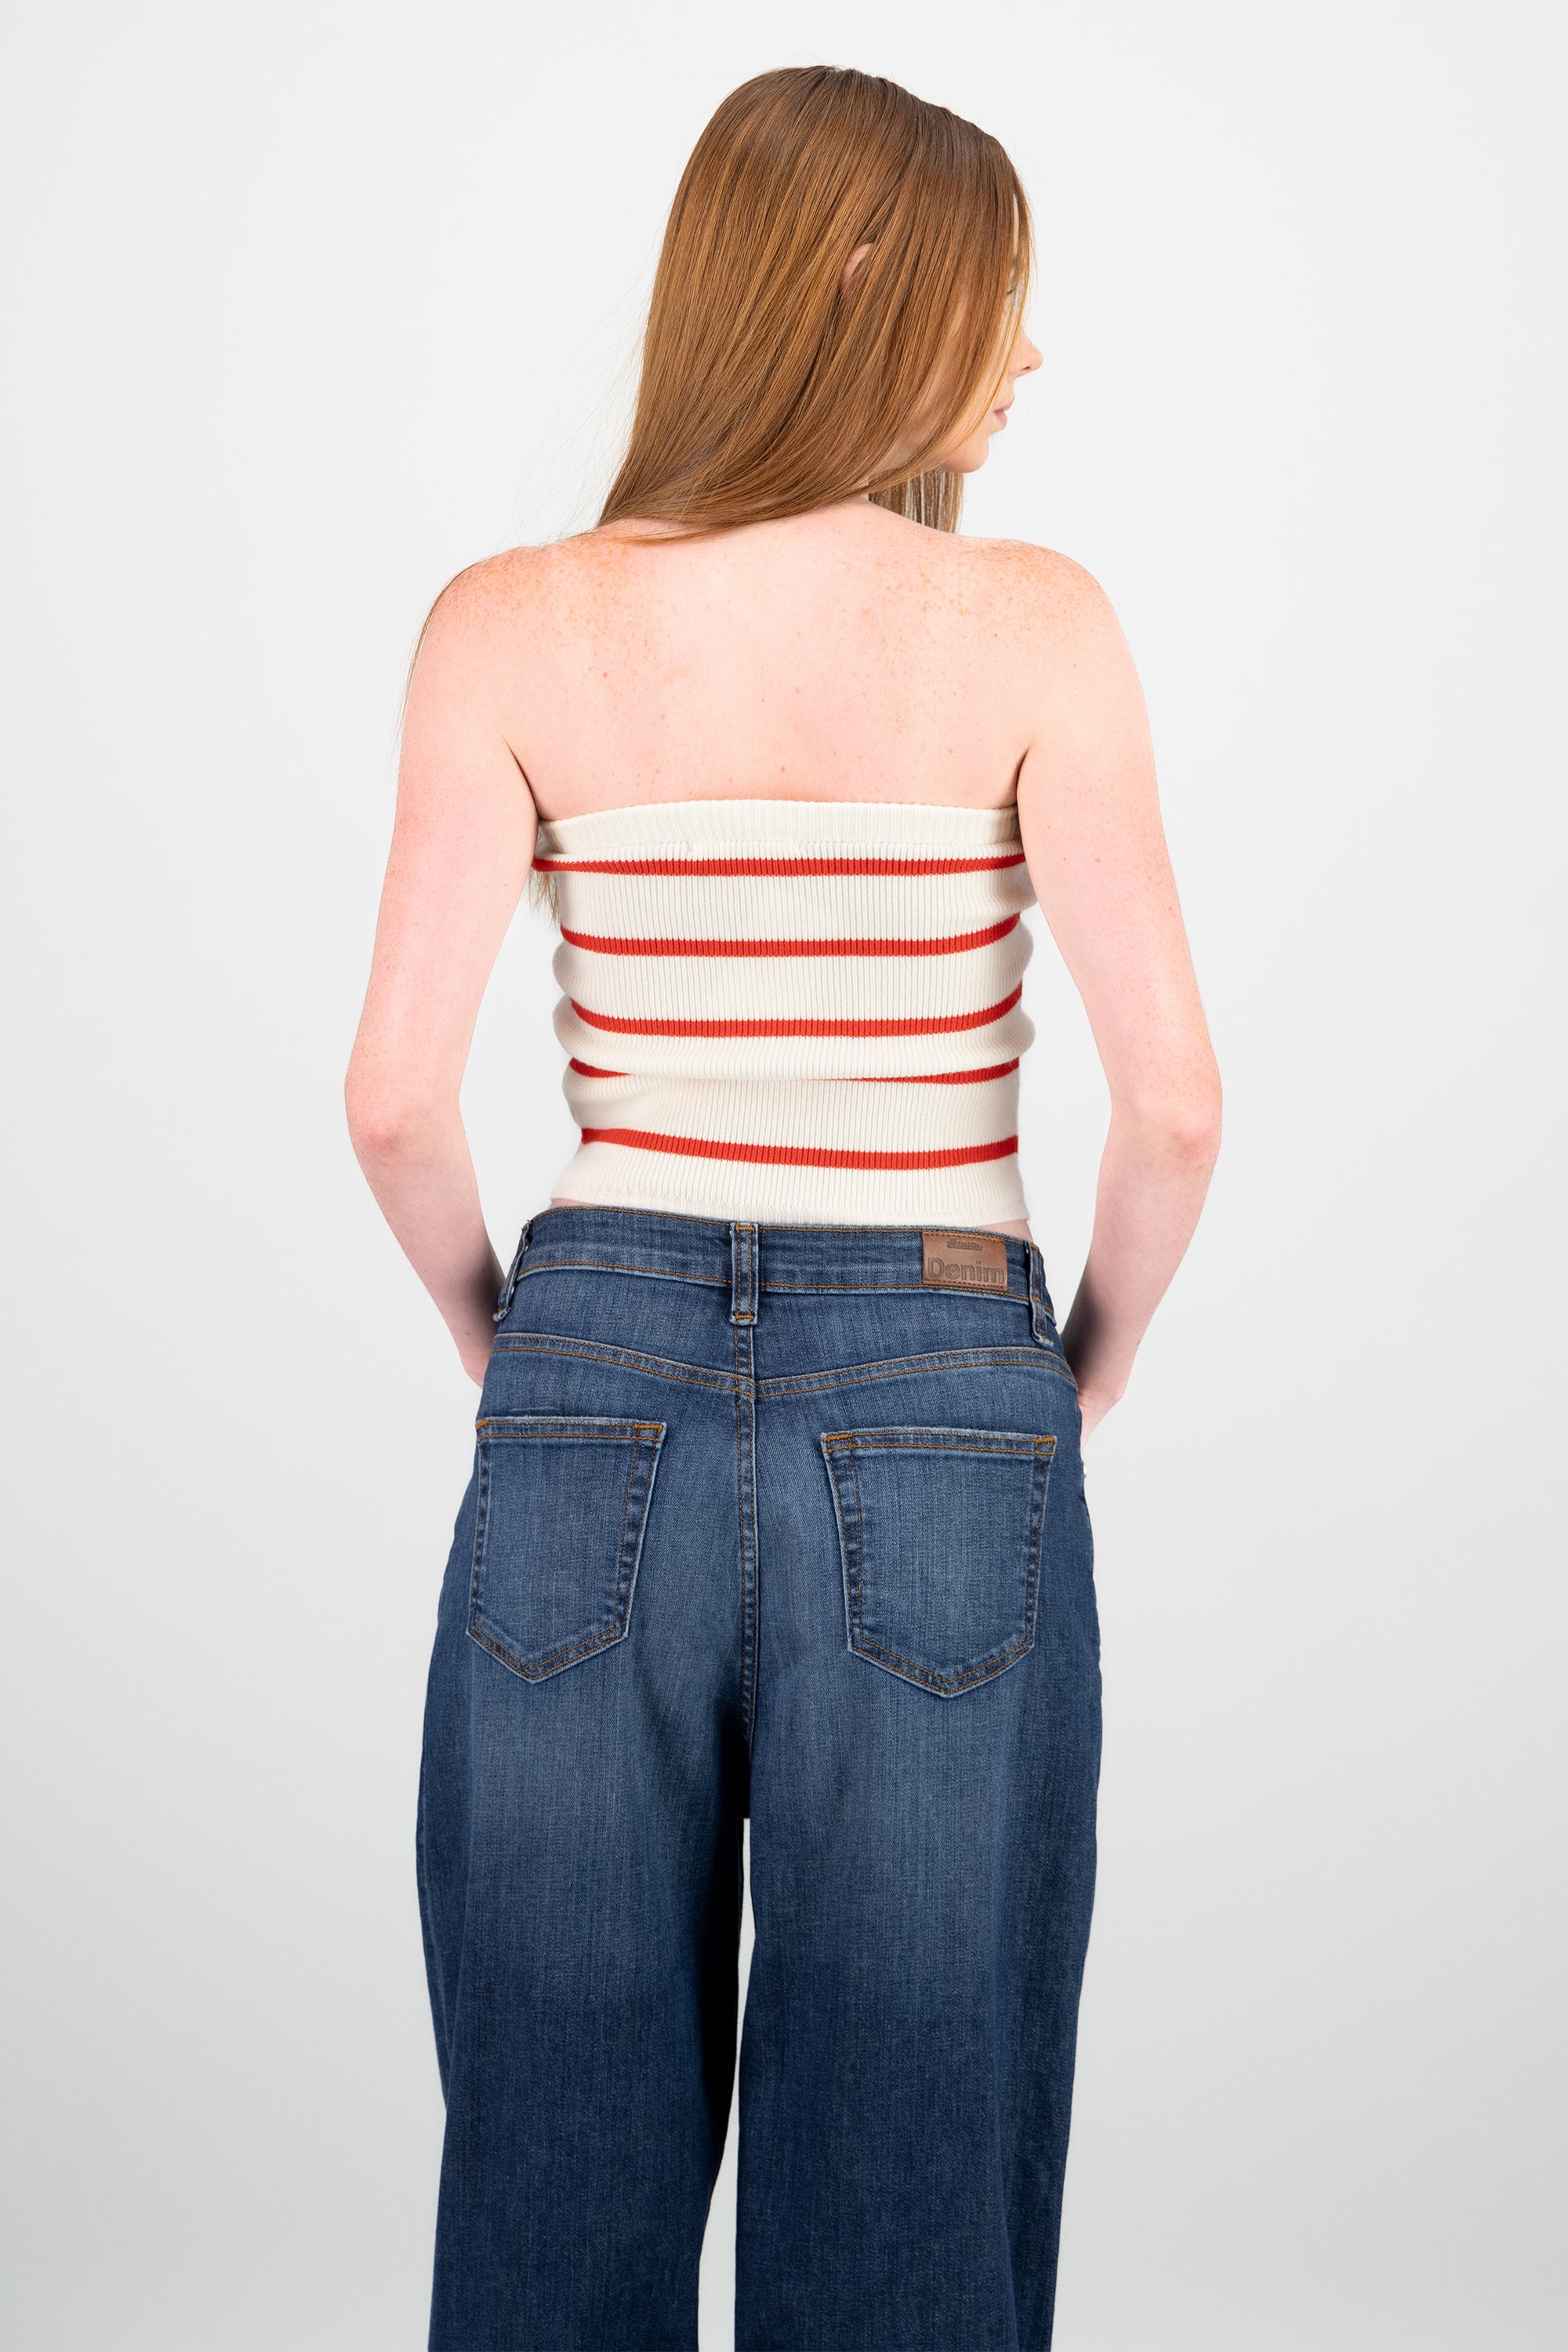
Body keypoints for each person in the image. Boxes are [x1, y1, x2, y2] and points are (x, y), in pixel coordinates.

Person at [346, 62, 1221, 2352]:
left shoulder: (506, 623)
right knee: (913, 2153)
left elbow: (392, 1101)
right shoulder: (1031, 624)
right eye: (998, 296)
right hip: (944, 1372)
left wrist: (530, 1347)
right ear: (861, 281)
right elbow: (1177, 1107)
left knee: (554, 2143)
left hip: (589, 1374)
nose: (1029, 352)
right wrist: (1070, 1373)